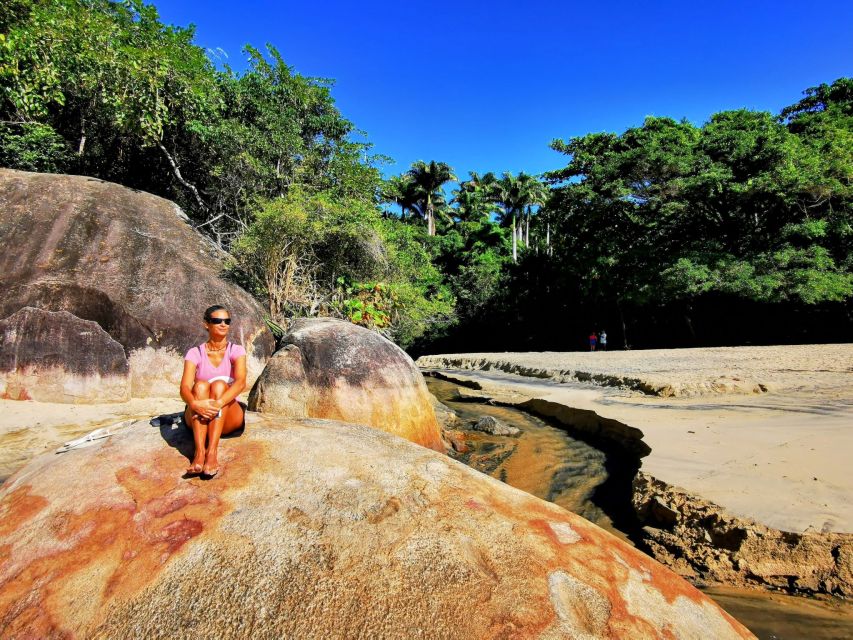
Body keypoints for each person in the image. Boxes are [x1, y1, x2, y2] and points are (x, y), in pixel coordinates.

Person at [180, 305, 247, 477]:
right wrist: (195, 403)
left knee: (219, 385)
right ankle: (200, 452)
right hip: (199, 411)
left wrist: (217, 404)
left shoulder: (236, 351)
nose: (223, 324)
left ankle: (212, 453)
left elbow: (240, 383)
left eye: (227, 321)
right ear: (206, 324)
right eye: (217, 321)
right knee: (200, 386)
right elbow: (184, 388)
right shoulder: (195, 353)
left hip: (226, 413)